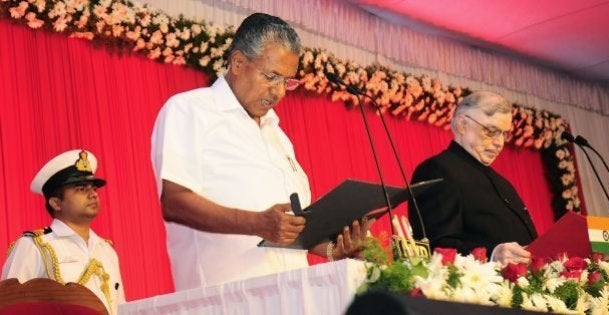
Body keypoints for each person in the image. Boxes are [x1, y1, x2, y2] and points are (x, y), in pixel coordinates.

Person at [151, 12, 370, 291]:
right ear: (239, 62)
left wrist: (333, 251)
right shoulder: (190, 110)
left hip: (292, 297)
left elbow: (290, 228)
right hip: (226, 300)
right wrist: (256, 223)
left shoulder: (277, 135)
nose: (279, 92)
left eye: (287, 81)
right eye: (271, 76)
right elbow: (175, 202)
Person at [408, 91, 538, 265]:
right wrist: (492, 255)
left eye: (504, 134)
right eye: (491, 131)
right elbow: (437, 245)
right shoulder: (437, 169)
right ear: (462, 125)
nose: (499, 142)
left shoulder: (502, 183)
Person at [2, 149, 125, 315]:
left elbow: (121, 307)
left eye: (94, 188)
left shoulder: (106, 250)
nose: (92, 195)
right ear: (56, 203)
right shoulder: (34, 246)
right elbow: (10, 305)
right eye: (81, 189)